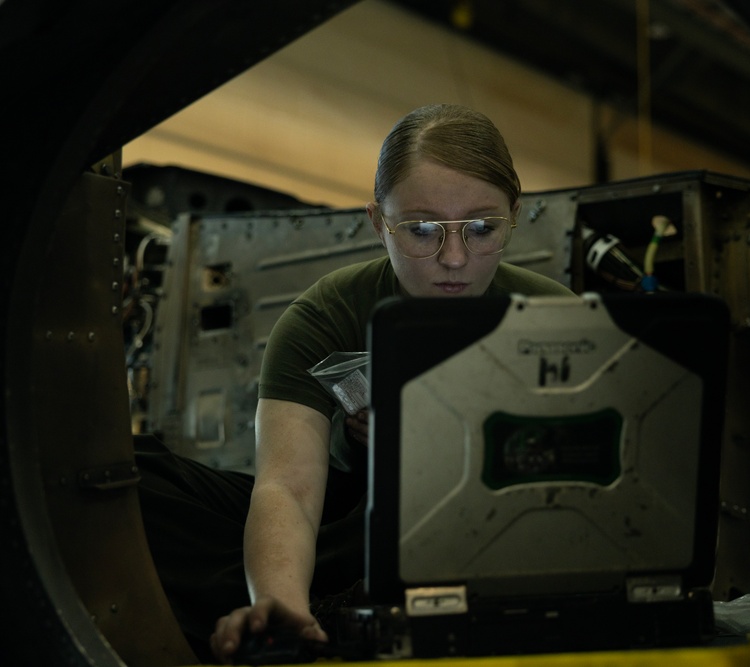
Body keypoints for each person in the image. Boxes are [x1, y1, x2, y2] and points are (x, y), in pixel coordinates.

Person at [137, 103, 575, 664]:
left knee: (414, 521)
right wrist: (280, 600)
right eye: (420, 229)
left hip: (479, 524)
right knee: (137, 479)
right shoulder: (326, 315)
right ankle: (294, 615)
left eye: (482, 228)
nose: (455, 259)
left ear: (515, 215)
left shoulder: (556, 322)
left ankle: (318, 605)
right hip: (342, 521)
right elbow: (289, 487)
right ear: (377, 222)